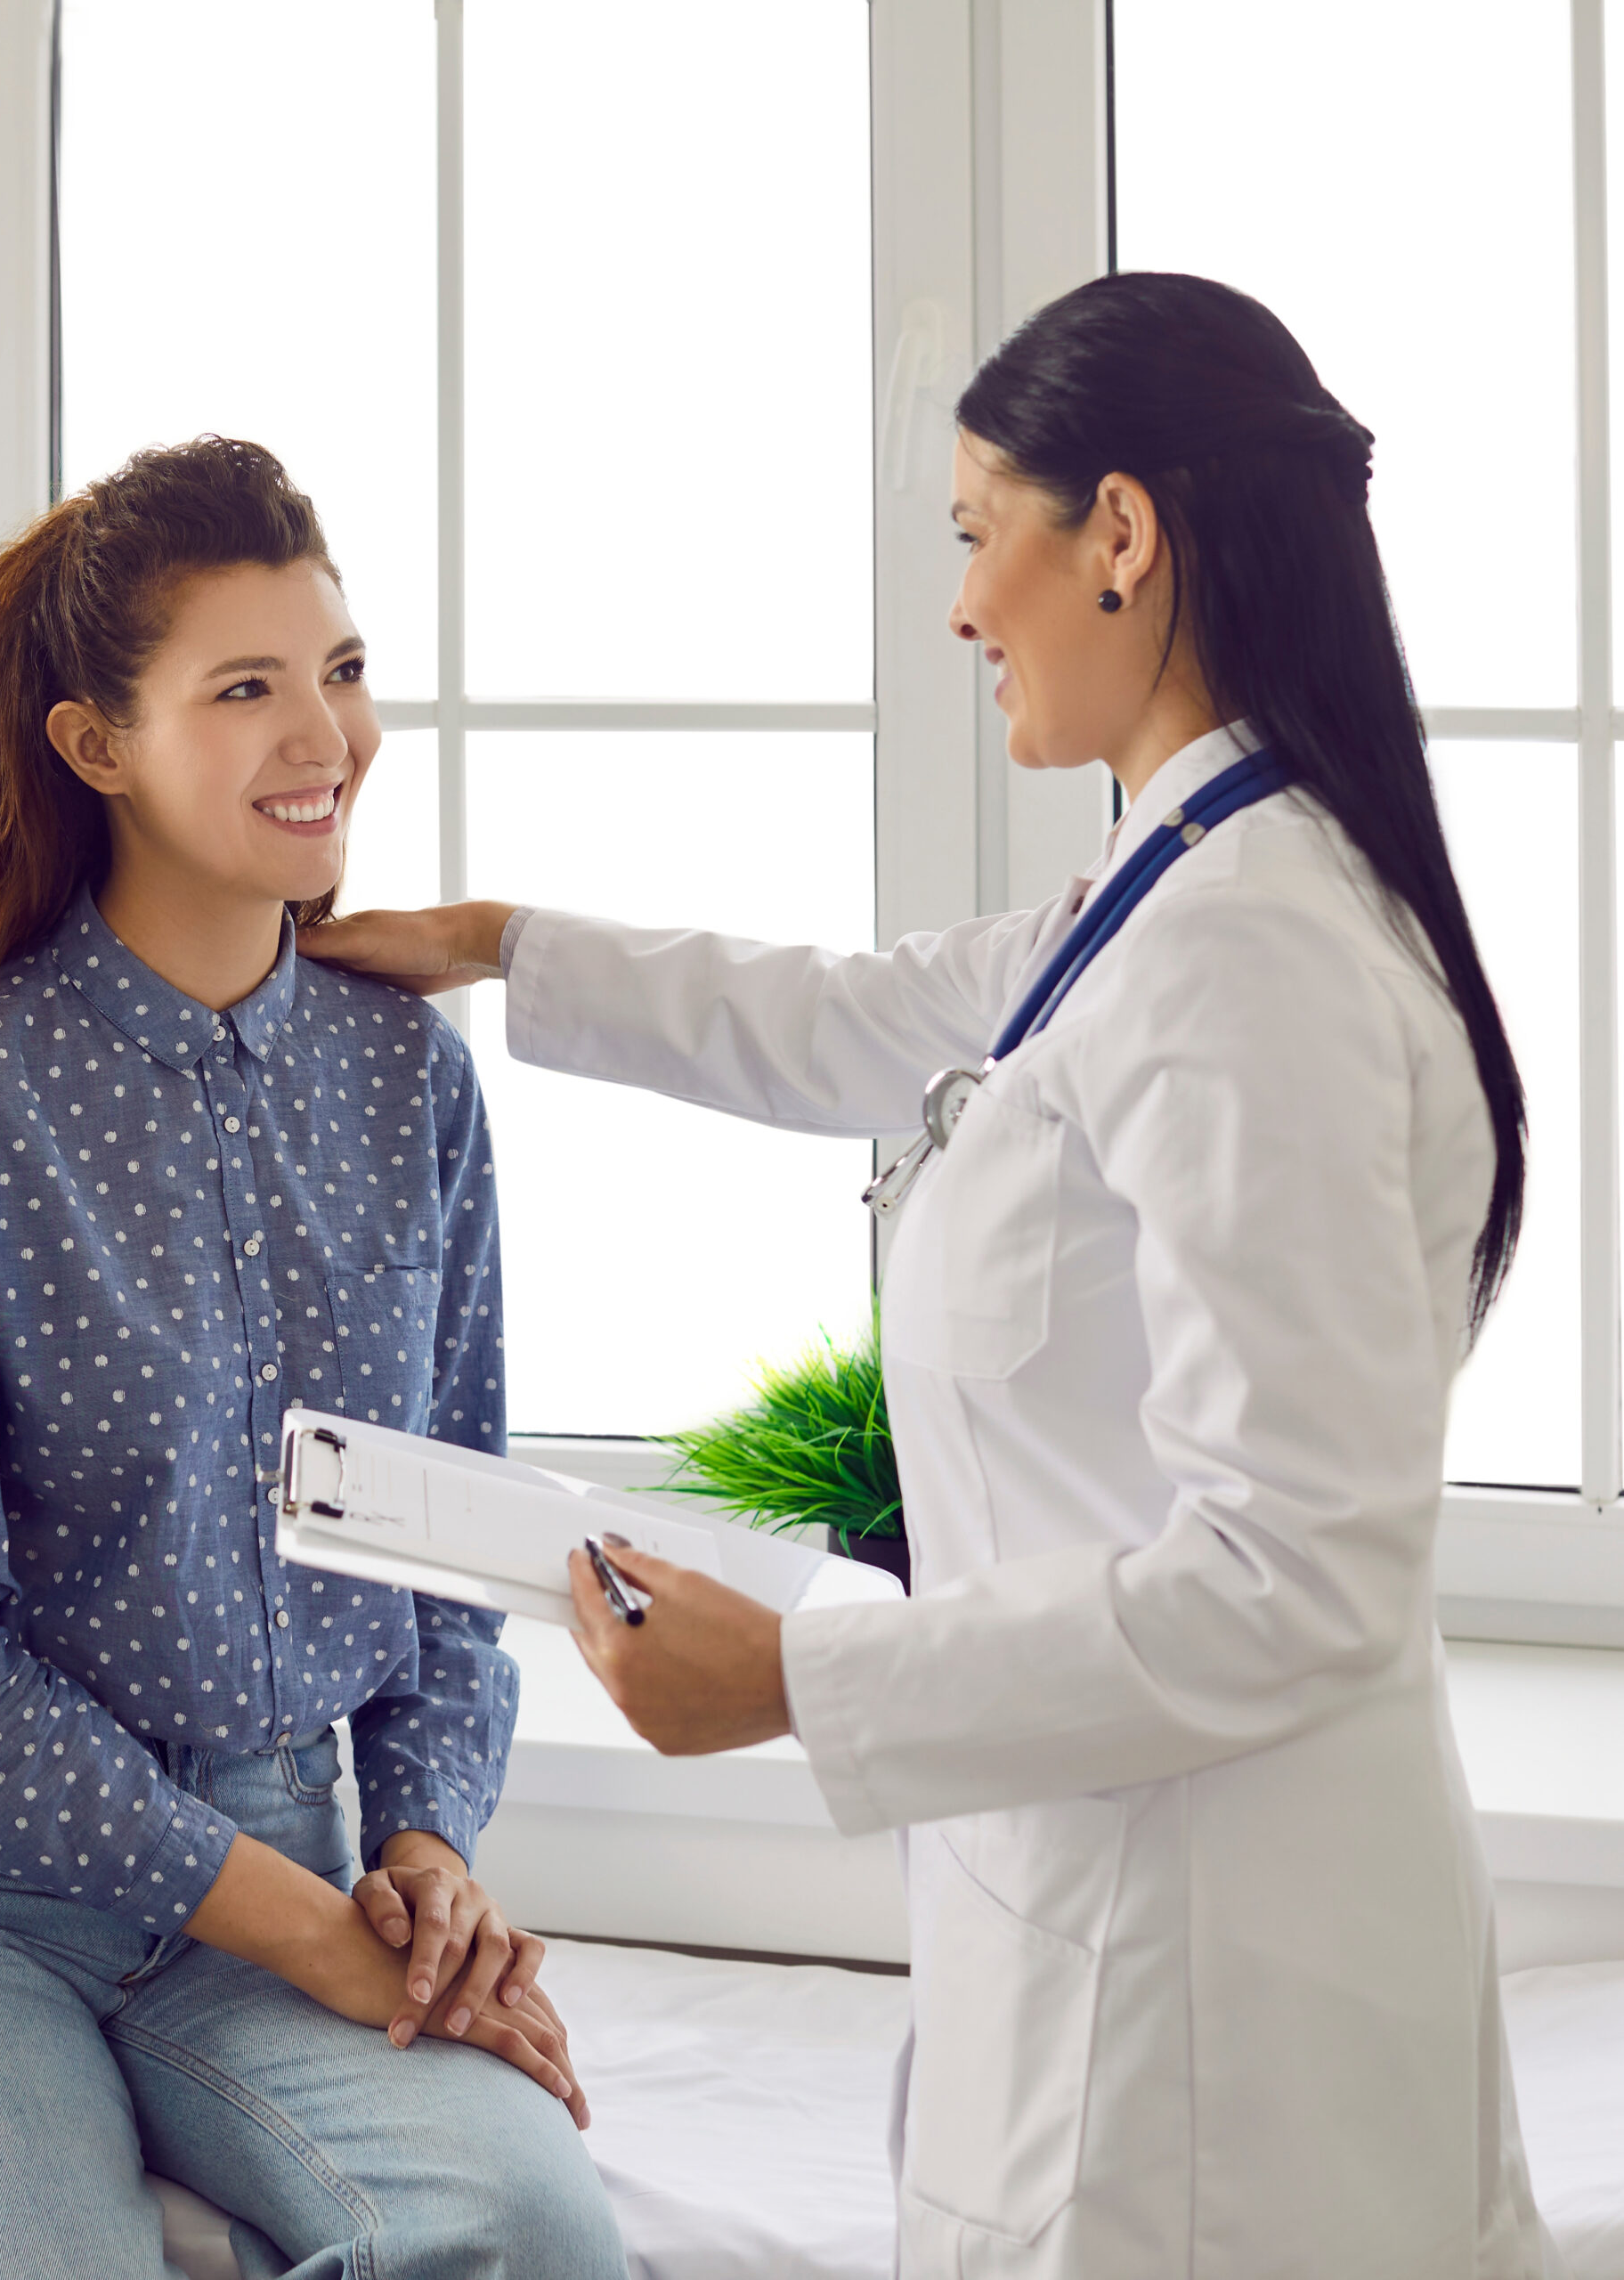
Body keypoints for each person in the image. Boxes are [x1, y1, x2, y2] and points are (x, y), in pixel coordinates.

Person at [301, 274, 1563, 2278]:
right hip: (1123, 1912)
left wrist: (796, 1675)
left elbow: (1294, 1574)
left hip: (1209, 2010)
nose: (962, 605)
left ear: (1120, 536)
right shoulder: (1168, 882)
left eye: (981, 532)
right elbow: (856, 1018)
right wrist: (494, 941)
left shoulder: (1255, 952)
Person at [0, 436, 628, 2280]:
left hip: (276, 1871)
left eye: (342, 672)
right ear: (95, 745)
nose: (327, 734)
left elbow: (453, 1532)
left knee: (527, 2224)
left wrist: (430, 1846)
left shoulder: (405, 1078)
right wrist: (302, 1922)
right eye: (247, 687)